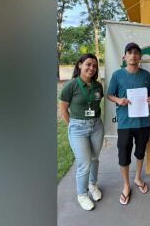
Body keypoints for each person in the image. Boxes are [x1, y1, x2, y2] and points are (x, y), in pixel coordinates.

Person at [106, 42, 150, 205]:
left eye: (136, 53)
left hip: (143, 123)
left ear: (140, 57)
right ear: (124, 56)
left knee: (140, 152)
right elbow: (109, 95)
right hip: (125, 124)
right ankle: (126, 185)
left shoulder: (146, 76)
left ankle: (138, 178)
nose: (133, 55)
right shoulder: (117, 75)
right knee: (124, 155)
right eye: (130, 52)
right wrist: (119, 99)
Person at [59, 53, 104, 210]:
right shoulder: (71, 85)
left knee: (94, 159)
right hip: (78, 128)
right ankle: (82, 194)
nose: (91, 68)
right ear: (80, 65)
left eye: (94, 65)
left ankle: (92, 185)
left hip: (97, 126)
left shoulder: (98, 86)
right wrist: (72, 125)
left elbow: (96, 104)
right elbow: (63, 108)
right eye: (88, 64)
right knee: (84, 163)